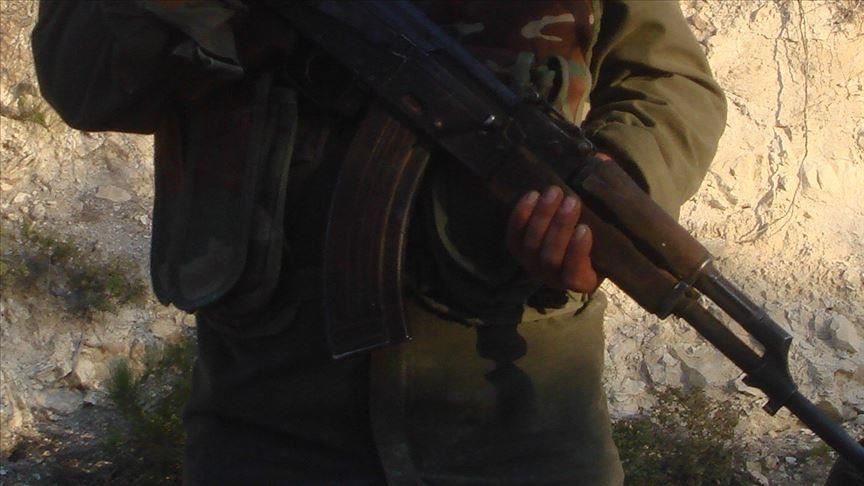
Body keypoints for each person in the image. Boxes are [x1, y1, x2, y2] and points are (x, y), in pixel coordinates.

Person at [32, 0, 726, 484]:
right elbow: (83, 82)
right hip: (269, 424)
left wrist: (618, 186)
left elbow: (669, 82)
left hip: (519, 418)